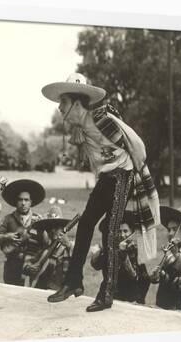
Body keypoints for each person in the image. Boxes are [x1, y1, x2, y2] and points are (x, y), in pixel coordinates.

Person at [42, 73, 160, 312]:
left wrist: (138, 171)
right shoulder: (82, 129)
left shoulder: (102, 119)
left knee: (110, 231)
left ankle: (107, 293)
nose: (59, 108)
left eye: (63, 103)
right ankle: (73, 281)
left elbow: (137, 145)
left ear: (76, 104)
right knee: (85, 224)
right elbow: (97, 162)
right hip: (108, 178)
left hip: (123, 175)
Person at [0, 179, 46, 286]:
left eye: (26, 200)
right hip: (12, 264)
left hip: (32, 265)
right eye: (20, 200)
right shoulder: (8, 219)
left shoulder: (39, 219)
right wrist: (8, 236)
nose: (23, 203)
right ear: (15, 202)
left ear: (31, 202)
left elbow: (46, 244)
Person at [91, 212, 151, 304]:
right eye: (119, 231)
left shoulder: (135, 251)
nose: (122, 235)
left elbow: (141, 278)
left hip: (130, 297)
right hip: (111, 296)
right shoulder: (109, 250)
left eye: (125, 231)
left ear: (131, 232)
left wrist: (139, 298)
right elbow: (96, 265)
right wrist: (101, 252)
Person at [25, 205, 74, 290]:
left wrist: (68, 245)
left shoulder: (67, 247)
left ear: (63, 229)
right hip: (39, 290)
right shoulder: (42, 246)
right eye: (50, 228)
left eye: (57, 227)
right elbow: (28, 264)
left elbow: (76, 266)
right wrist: (29, 268)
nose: (53, 231)